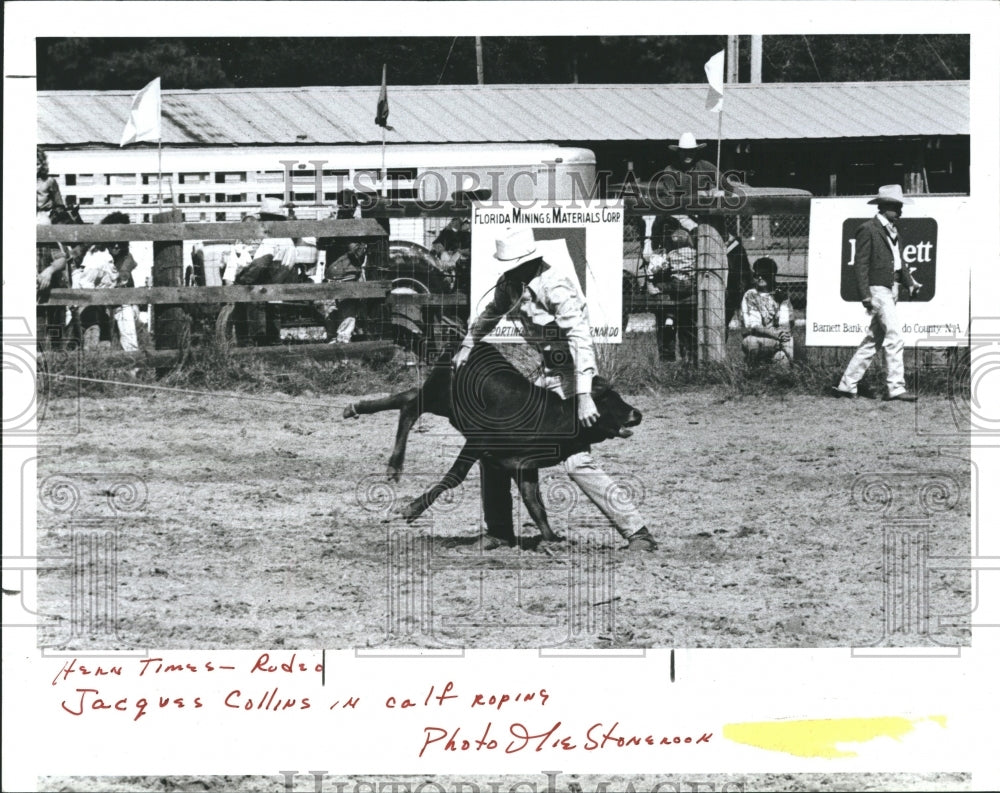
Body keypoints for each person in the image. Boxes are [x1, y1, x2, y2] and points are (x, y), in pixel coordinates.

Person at [453, 227, 657, 552]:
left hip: (571, 376)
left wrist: (585, 394)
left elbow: (579, 337)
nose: (509, 269)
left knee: (576, 459)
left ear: (527, 261)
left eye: (513, 263)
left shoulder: (555, 284)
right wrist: (468, 342)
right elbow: (491, 313)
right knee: (494, 448)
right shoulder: (510, 284)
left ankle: (638, 534)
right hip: (540, 375)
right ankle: (499, 531)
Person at [832, 185, 920, 401]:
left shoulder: (893, 231)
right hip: (878, 289)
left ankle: (847, 384)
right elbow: (860, 265)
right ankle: (896, 387)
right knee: (895, 336)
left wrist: (908, 283)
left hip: (890, 289)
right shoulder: (868, 229)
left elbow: (899, 262)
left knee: (873, 340)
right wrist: (865, 295)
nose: (901, 211)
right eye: (897, 207)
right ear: (885, 207)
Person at [647, 228, 698, 361]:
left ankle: (670, 316)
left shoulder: (671, 254)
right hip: (689, 285)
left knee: (664, 289)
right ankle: (689, 357)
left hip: (675, 284)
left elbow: (663, 267)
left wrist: (655, 273)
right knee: (687, 320)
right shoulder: (695, 253)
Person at [740, 257, 793, 366]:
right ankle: (752, 371)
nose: (760, 277)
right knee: (751, 342)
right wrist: (776, 334)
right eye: (756, 275)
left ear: (772, 275)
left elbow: (786, 323)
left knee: (783, 362)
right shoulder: (751, 295)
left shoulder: (781, 295)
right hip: (758, 337)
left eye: (764, 275)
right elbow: (754, 326)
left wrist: (782, 335)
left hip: (779, 339)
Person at [323, 242, 368, 344]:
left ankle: (339, 339)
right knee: (343, 309)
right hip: (343, 273)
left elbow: (355, 251)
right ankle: (339, 338)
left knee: (343, 308)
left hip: (344, 273)